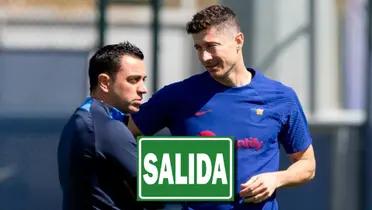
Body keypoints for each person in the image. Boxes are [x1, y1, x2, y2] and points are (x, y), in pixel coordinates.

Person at [128, 4, 316, 210]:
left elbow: (307, 165)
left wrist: (276, 179)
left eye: (211, 46)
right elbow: (122, 135)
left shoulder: (281, 98)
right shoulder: (177, 96)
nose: (204, 57)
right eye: (198, 48)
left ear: (238, 41)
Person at [58, 42, 148, 210]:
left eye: (143, 80)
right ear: (105, 82)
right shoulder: (107, 127)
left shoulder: (80, 119)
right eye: (133, 80)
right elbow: (157, 191)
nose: (143, 89)